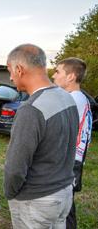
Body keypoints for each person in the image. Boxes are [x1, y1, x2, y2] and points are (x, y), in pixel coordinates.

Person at [4, 44, 78, 228]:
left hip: (37, 200)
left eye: (10, 71)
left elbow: (15, 168)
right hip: (64, 193)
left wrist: (11, 194)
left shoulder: (31, 109)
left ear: (19, 69)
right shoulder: (67, 97)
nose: (10, 77)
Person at [52, 57, 92, 229]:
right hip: (74, 160)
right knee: (66, 210)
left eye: (57, 71)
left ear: (70, 77)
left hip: (68, 161)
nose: (53, 76)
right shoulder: (80, 98)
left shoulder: (72, 100)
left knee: (63, 211)